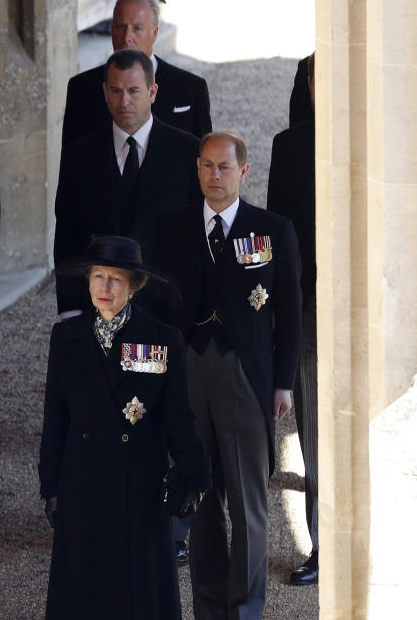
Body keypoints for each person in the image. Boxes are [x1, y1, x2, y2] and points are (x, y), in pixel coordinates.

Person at [154, 130, 302, 620]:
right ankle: (210, 608)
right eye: (206, 166)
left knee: (249, 504)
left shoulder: (272, 230)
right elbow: (158, 306)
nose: (214, 176)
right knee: (200, 496)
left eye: (224, 167)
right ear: (196, 169)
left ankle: (246, 608)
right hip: (189, 370)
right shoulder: (172, 228)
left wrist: (283, 383)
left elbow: (290, 312)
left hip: (245, 375)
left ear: (244, 171)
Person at [39, 234, 210, 619]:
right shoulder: (66, 338)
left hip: (139, 487)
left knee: (139, 595)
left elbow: (178, 417)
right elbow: (56, 420)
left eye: (116, 278)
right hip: (82, 484)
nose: (105, 287)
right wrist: (50, 486)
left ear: (135, 286)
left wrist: (195, 476)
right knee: (84, 592)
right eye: (98, 276)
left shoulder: (162, 341)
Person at [54, 49, 200, 319]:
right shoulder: (79, 155)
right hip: (96, 309)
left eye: (134, 91)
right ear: (104, 92)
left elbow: (196, 236)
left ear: (152, 93)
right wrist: (70, 309)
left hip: (166, 311)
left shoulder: (189, 153)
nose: (124, 101)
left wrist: (192, 309)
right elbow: (66, 235)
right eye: (116, 90)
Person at [267, 51, 318, 586]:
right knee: (316, 426)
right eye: (315, 79)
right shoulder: (287, 148)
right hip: (309, 304)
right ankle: (321, 544)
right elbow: (282, 239)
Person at [61, 0, 211, 146]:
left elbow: (207, 160)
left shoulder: (191, 89)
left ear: (155, 33)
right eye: (120, 26)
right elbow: (70, 163)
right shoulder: (81, 89)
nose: (127, 37)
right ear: (111, 29)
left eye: (137, 28)